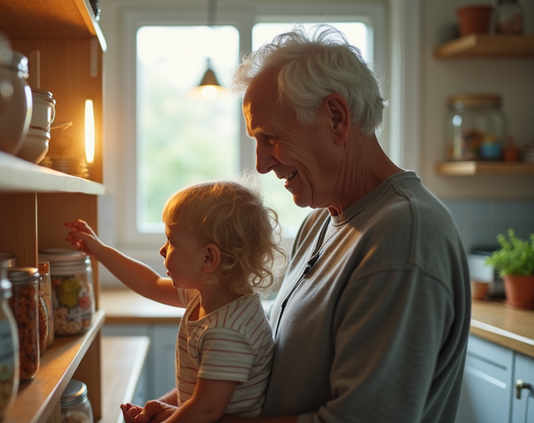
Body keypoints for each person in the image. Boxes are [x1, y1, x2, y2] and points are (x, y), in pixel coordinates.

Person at [121, 25, 471, 423]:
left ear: (336, 118)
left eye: (270, 137)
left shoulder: (405, 235)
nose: (261, 163)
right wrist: (179, 409)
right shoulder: (319, 222)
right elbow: (268, 371)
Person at [64, 179, 284, 423]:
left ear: (209, 258)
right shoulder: (207, 294)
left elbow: (204, 410)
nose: (162, 250)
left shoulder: (228, 331)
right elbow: (150, 284)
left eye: (171, 241)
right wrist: (101, 252)